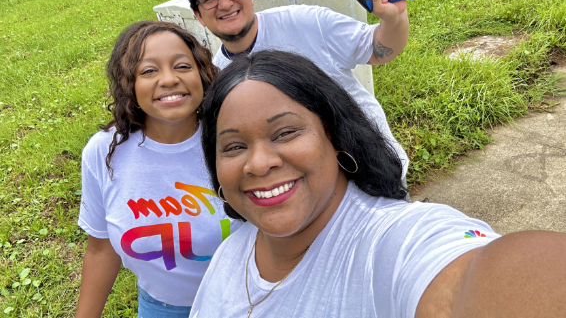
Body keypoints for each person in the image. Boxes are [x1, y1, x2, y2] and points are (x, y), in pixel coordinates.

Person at [190, 50, 566, 318]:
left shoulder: (392, 244)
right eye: (234, 146)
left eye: (286, 133)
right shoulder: (233, 251)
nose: (258, 163)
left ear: (335, 137)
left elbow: (477, 281)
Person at [186, 0, 411, 183]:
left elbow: (377, 49)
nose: (224, 3)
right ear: (198, 16)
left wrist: (394, 18)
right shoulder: (219, 79)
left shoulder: (306, 22)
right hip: (309, 198)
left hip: (373, 170)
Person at [75, 21, 240, 318]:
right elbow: (101, 249)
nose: (169, 79)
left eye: (182, 66)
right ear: (129, 83)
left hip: (245, 300)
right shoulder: (103, 153)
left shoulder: (233, 139)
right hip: (161, 308)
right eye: (149, 70)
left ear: (202, 74)